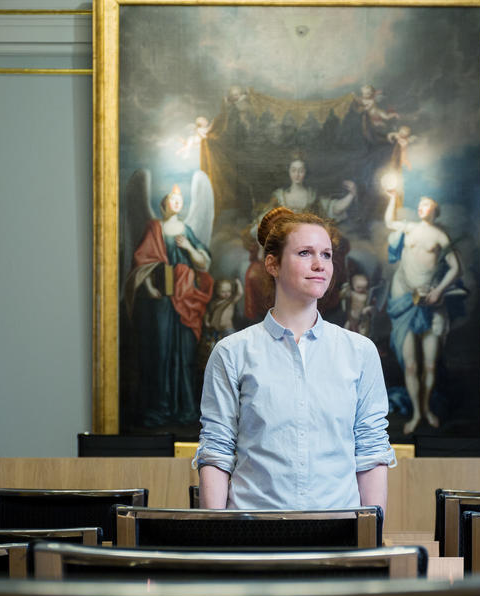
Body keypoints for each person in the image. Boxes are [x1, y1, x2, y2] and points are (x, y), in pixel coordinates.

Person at [195, 206, 396, 510]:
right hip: (252, 537)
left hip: (338, 536)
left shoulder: (360, 352)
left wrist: (372, 538)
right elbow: (216, 451)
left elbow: (371, 452)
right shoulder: (231, 352)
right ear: (272, 264)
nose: (319, 264)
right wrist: (217, 538)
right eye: (305, 253)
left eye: (326, 255)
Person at [123, 184, 213, 427]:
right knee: (160, 352)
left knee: (184, 353)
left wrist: (188, 247)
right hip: (161, 301)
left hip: (185, 297)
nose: (177, 201)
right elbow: (142, 262)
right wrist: (152, 288)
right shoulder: (155, 228)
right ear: (164, 203)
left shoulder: (186, 230)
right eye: (173, 198)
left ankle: (185, 408)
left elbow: (203, 263)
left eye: (180, 198)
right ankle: (159, 409)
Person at [383, 192, 462, 434]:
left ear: (435, 211)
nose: (421, 207)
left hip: (429, 302)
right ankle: (416, 413)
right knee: (410, 366)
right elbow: (389, 222)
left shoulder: (439, 235)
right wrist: (392, 198)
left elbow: (456, 268)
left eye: (426, 205)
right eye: (419, 204)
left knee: (429, 365)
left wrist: (438, 291)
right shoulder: (409, 228)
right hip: (405, 300)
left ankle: (426, 409)